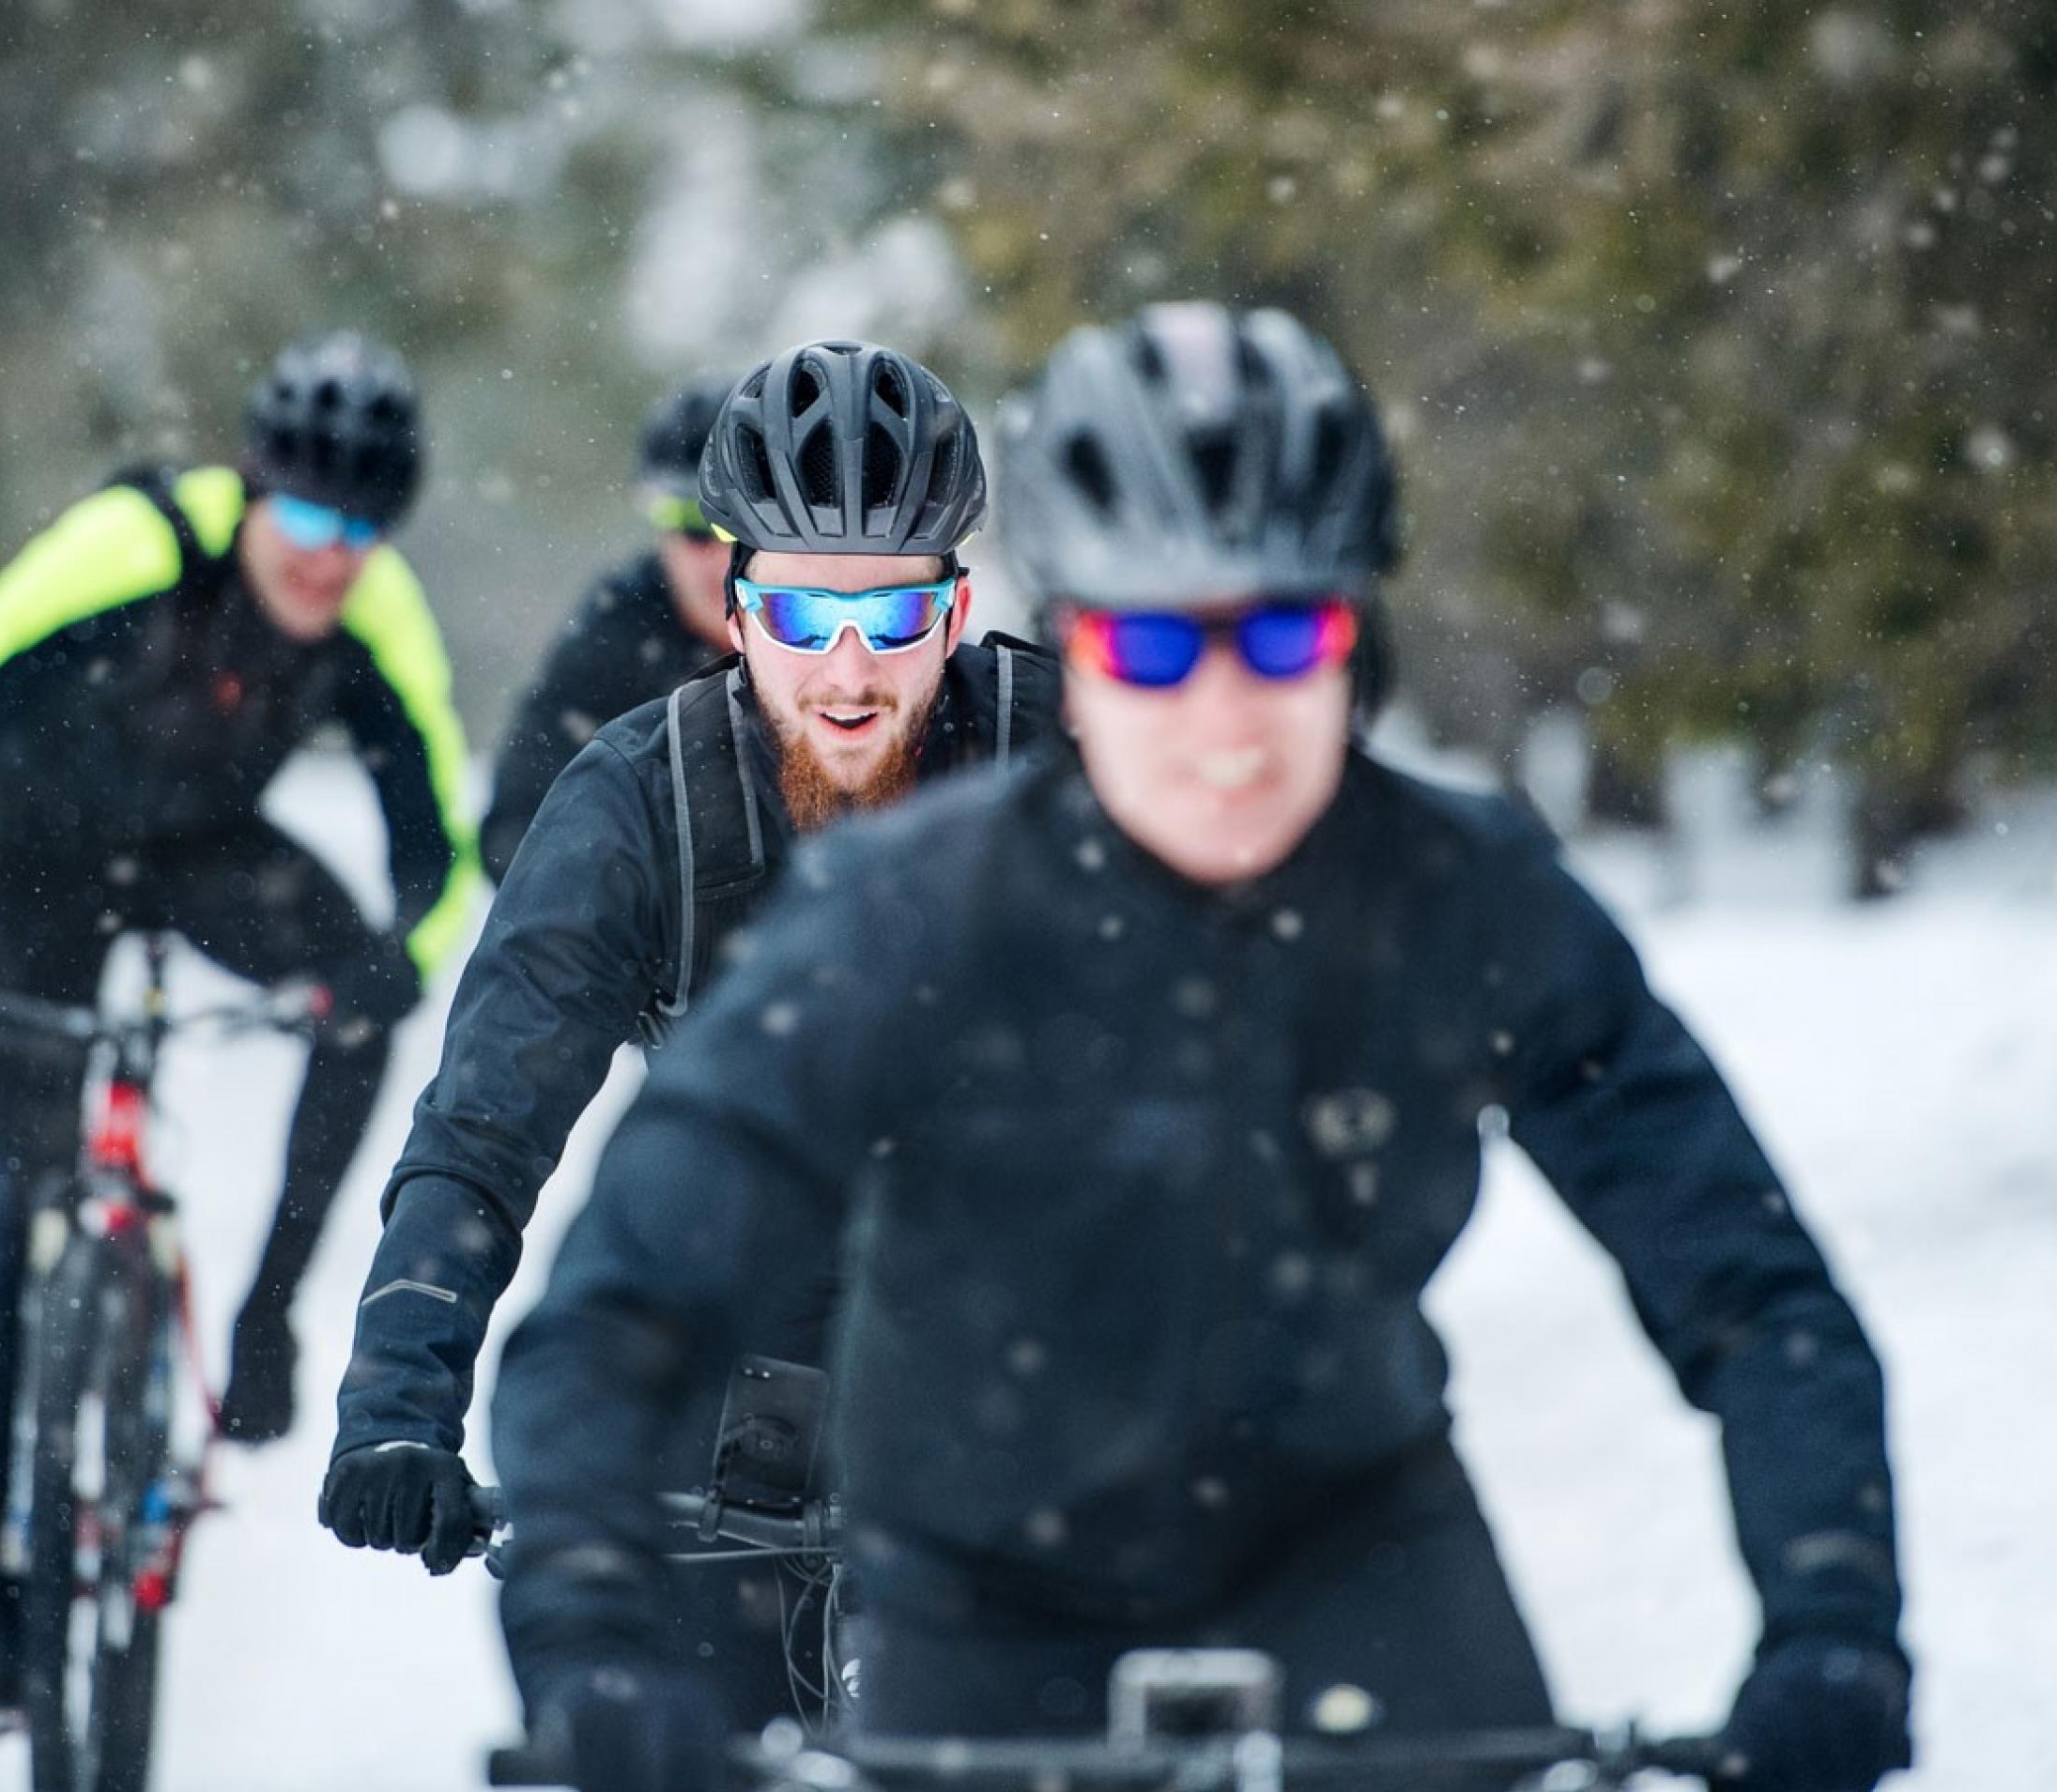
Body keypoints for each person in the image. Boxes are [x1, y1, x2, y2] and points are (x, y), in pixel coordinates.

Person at [491, 305, 1911, 1792]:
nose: (1225, 722)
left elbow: (1751, 1291)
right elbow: (624, 1306)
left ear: (1358, 639)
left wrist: (1834, 1624)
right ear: (1073, 649)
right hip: (982, 1585)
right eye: (1156, 644)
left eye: (1282, 634)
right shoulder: (904, 916)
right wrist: (591, 1637)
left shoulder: (1469, 900)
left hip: (1360, 1547)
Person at [319, 340, 1059, 1725]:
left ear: (956, 613)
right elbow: (483, 1131)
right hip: (742, 1397)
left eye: (894, 620)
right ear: (734, 607)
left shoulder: (1063, 762)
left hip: (1018, 1372)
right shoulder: (633, 806)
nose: (849, 674)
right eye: (802, 616)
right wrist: (399, 1403)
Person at [0, 330, 483, 1715]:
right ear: (254, 487)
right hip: (37, 859)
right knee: (34, 1210)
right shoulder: (137, 543)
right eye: (303, 513)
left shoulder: (376, 607)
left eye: (361, 526)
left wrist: (401, 956)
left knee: (362, 1000)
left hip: (202, 849)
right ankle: (3, 1594)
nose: (327, 553)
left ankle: (270, 1319)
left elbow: (437, 836)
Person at [478, 371, 739, 881]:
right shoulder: (618, 631)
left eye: (737, 524)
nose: (718, 556)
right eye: (690, 522)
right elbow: (514, 831)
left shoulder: (840, 628)